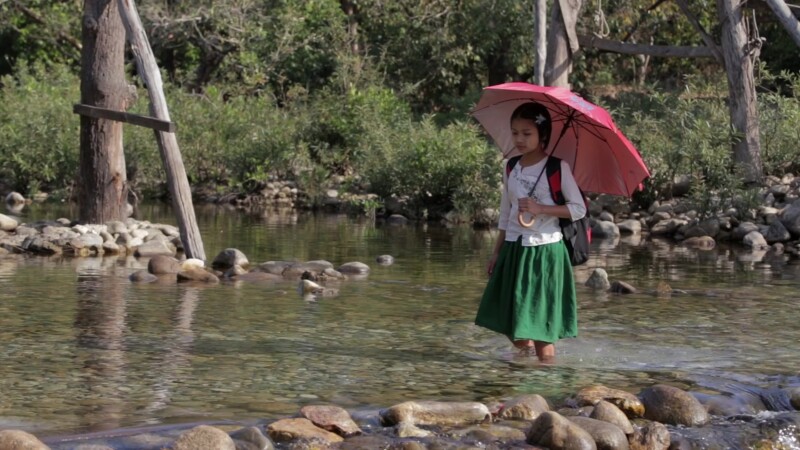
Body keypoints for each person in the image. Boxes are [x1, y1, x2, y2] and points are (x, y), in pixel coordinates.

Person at [474, 102, 586, 363]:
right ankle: (524, 365)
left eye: (527, 133)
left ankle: (546, 387)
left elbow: (578, 209)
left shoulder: (557, 168)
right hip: (513, 248)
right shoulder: (511, 166)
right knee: (509, 321)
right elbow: (506, 211)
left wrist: (541, 208)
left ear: (542, 135)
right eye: (515, 133)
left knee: (542, 329)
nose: (519, 139)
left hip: (544, 252)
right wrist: (496, 251)